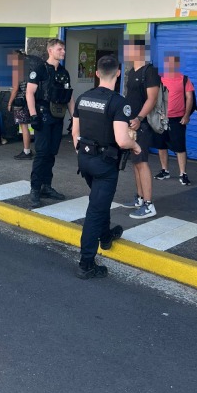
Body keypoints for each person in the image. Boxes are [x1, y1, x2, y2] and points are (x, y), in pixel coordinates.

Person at [72, 55, 141, 279]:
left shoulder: (83, 98)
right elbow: (122, 140)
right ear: (118, 73)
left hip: (85, 160)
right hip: (104, 165)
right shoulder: (119, 103)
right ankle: (86, 264)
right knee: (95, 210)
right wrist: (135, 146)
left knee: (99, 201)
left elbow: (75, 133)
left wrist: (82, 154)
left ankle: (106, 236)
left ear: (97, 73)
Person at [26, 38, 74, 208]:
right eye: (60, 49)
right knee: (42, 153)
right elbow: (29, 93)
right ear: (50, 50)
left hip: (57, 117)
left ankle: (46, 186)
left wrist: (74, 119)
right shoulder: (39, 70)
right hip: (42, 116)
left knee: (51, 153)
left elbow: (69, 97)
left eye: (64, 49)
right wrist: (33, 115)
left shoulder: (64, 72)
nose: (63, 52)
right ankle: (35, 189)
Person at [121, 36, 160, 219]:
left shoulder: (150, 71)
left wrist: (139, 118)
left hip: (142, 125)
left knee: (142, 163)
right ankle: (139, 198)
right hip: (131, 124)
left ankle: (149, 204)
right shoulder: (131, 71)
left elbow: (152, 99)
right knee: (135, 163)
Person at [154, 53, 195, 186]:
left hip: (177, 119)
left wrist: (186, 115)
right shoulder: (159, 79)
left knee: (180, 147)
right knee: (161, 145)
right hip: (161, 118)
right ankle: (165, 170)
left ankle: (183, 174)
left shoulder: (184, 80)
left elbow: (189, 98)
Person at [8, 52, 33, 160]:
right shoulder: (30, 69)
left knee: (24, 126)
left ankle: (26, 151)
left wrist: (9, 103)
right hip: (31, 100)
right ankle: (31, 149)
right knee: (31, 125)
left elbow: (15, 89)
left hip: (21, 102)